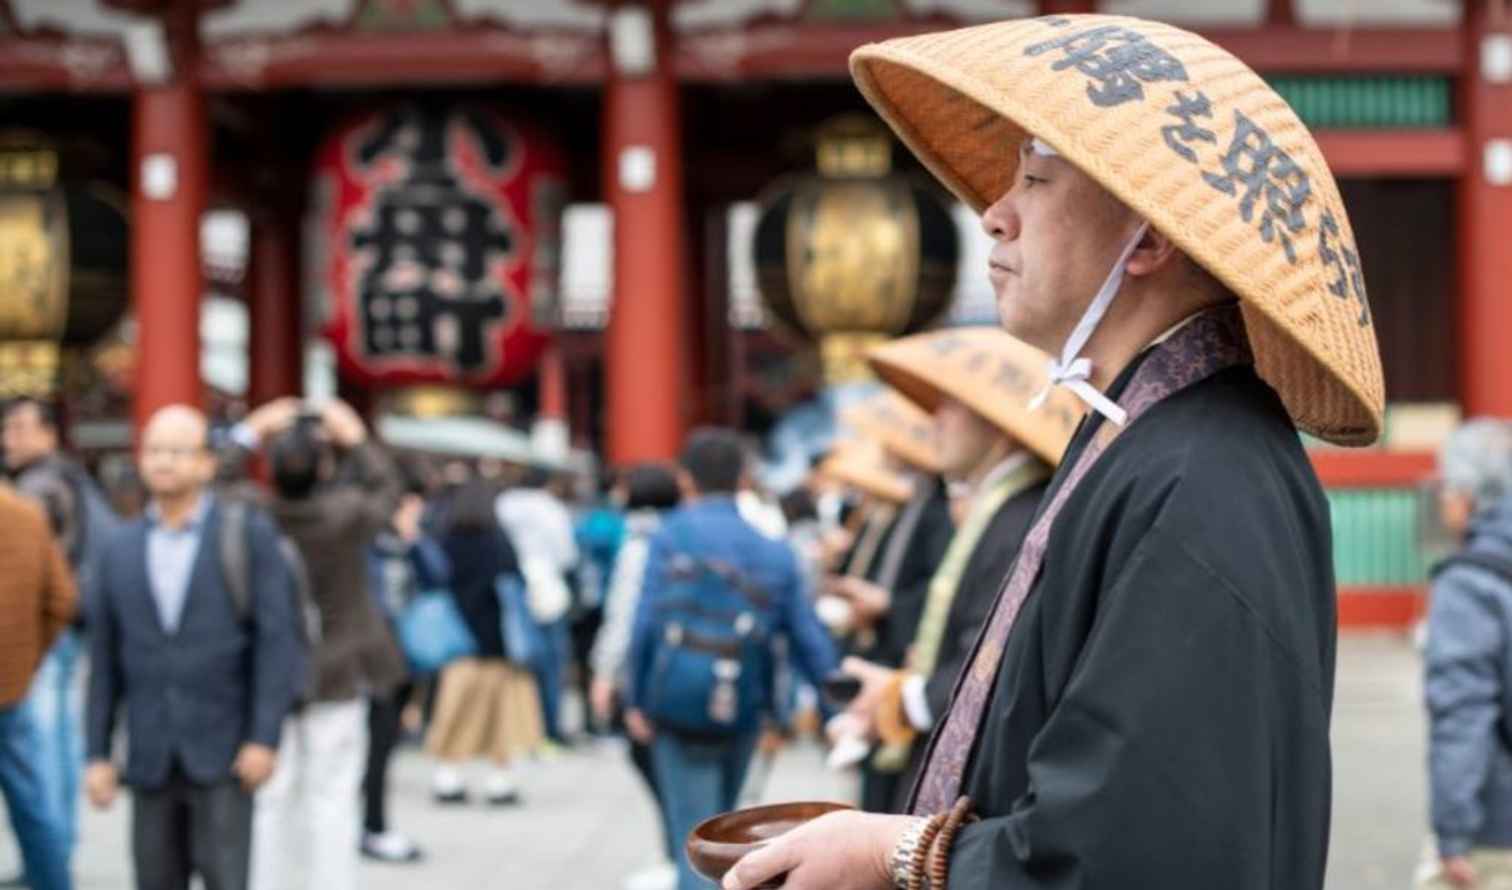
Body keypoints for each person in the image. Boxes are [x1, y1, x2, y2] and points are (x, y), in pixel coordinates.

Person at [724, 14, 1384, 890]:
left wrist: (900, 853)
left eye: (1034, 181)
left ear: (1145, 239)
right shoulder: (1145, 434)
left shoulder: (1204, 475)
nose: (994, 216)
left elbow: (1135, 847)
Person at [827, 328, 1079, 815]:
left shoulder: (1018, 520)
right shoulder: (1000, 511)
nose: (933, 421)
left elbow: (995, 657)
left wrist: (905, 700)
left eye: (951, 405)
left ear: (998, 424)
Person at [86, 405, 302, 890]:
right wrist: (97, 753)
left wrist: (264, 737)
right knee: (154, 879)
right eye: (155, 450)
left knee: (227, 878)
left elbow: (275, 641)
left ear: (206, 463)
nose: (164, 461)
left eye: (178, 451)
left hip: (224, 749)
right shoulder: (120, 548)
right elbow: (104, 658)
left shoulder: (246, 535)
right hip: (150, 752)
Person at [627, 428, 840, 890]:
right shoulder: (773, 550)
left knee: (693, 835)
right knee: (727, 827)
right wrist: (833, 709)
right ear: (744, 480)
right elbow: (806, 638)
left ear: (686, 480)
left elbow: (645, 622)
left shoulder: (669, 536)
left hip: (676, 700)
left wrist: (636, 697)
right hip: (744, 700)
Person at [236, 398, 409, 890]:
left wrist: (251, 429)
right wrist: (355, 437)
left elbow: (218, 482)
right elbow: (388, 488)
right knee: (333, 800)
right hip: (338, 670)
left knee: (269, 800)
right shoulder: (346, 514)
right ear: (325, 466)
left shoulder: (255, 514)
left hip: (270, 671)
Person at [3, 397, 120, 874]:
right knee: (51, 747)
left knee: (41, 752)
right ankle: (55, 855)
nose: (9, 438)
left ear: (49, 432)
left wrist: (27, 651)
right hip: (52, 638)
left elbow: (52, 590)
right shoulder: (72, 478)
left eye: (19, 428)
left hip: (33, 647)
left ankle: (52, 855)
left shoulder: (38, 491)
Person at [1420, 419, 1512, 889]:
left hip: (1497, 828)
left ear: (1468, 494)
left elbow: (1463, 714)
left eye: (1446, 486)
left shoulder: (1471, 585)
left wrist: (1453, 834)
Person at [588, 463, 683, 890]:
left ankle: (676, 858)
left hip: (647, 672)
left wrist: (605, 673)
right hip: (690, 668)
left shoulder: (640, 540)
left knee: (656, 764)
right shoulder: (687, 531)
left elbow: (625, 614)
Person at [428, 479, 544, 805]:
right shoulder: (499, 544)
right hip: (497, 643)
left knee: (454, 714)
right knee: (501, 718)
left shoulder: (444, 542)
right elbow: (518, 587)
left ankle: (448, 776)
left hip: (455, 641)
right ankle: (500, 781)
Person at [361, 484, 448, 864]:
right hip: (367, 660)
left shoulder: (410, 548)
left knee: (384, 743)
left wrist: (415, 539)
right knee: (370, 745)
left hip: (404, 658)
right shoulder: (365, 548)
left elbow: (441, 576)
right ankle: (371, 824)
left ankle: (372, 823)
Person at [0, 484, 77, 890]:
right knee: (33, 806)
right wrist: (26, 660)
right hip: (10, 687)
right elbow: (62, 600)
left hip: (13, 682)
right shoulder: (27, 514)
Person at [497, 464, 581, 746]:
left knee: (518, 658)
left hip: (510, 586)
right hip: (548, 586)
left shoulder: (503, 504)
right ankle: (550, 727)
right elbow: (566, 554)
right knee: (552, 661)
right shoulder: (550, 508)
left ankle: (521, 726)